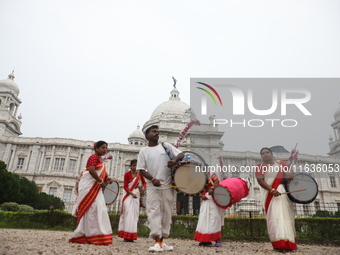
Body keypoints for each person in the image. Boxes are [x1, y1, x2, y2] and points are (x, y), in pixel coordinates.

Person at [137, 125, 184, 252]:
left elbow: (181, 154)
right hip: (153, 186)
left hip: (168, 186)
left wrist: (174, 160)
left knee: (167, 213)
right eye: (153, 131)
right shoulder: (144, 151)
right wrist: (152, 179)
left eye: (158, 132)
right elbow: (141, 170)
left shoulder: (165, 146)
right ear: (147, 135)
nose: (156, 133)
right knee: (153, 212)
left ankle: (162, 241)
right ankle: (156, 240)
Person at [69, 141, 115, 245]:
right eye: (103, 148)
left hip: (96, 188)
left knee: (98, 208)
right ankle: (84, 234)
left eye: (106, 148)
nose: (105, 150)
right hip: (89, 186)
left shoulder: (101, 161)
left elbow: (104, 175)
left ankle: (96, 233)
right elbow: (91, 170)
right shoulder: (93, 157)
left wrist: (108, 179)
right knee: (90, 208)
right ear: (96, 149)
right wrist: (100, 181)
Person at [255, 147, 297, 252]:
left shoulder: (281, 164)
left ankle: (289, 243)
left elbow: (290, 175)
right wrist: (272, 190)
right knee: (275, 218)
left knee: (286, 217)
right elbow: (260, 180)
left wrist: (289, 174)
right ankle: (279, 244)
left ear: (271, 154)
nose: (265, 154)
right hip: (270, 194)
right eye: (263, 153)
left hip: (282, 192)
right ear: (261, 156)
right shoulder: (259, 167)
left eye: (267, 152)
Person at [118, 159, 147, 242]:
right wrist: (131, 193)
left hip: (136, 195)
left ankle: (131, 236)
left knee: (134, 215)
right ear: (130, 166)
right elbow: (125, 186)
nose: (135, 167)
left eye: (136, 165)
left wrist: (143, 188)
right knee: (128, 214)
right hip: (128, 195)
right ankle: (125, 236)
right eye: (133, 165)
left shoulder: (140, 174)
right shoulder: (127, 174)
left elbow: (144, 183)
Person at [194, 175, 224, 247]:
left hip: (213, 197)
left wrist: (212, 189)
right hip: (205, 199)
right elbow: (194, 188)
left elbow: (216, 181)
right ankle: (205, 240)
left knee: (215, 218)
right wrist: (202, 196)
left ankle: (217, 239)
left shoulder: (211, 174)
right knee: (204, 219)